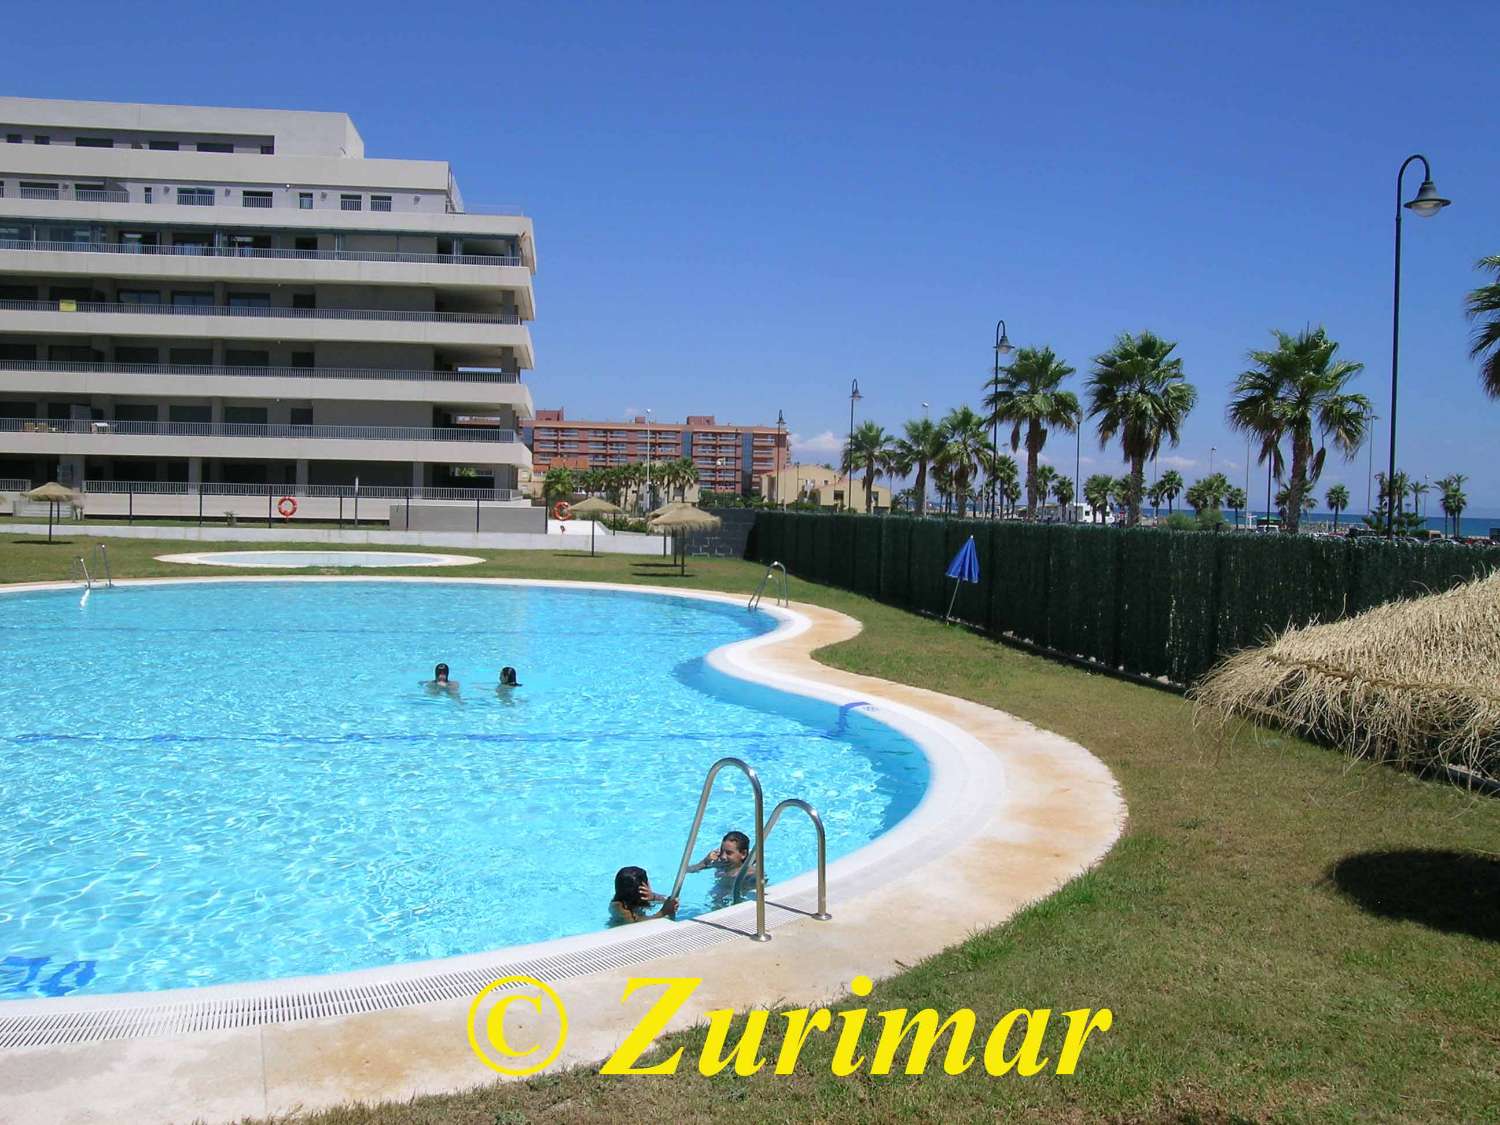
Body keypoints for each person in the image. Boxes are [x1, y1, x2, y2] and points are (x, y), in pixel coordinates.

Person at [609, 866, 677, 925]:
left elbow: (664, 899)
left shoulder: (632, 899)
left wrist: (653, 897)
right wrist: (663, 912)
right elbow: (635, 924)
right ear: (641, 890)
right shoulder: (618, 907)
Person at [686, 831, 755, 881]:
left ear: (743, 854)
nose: (723, 856)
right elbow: (687, 870)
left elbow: (759, 880)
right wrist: (705, 862)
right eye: (722, 851)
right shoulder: (720, 864)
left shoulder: (749, 872)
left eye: (729, 853)